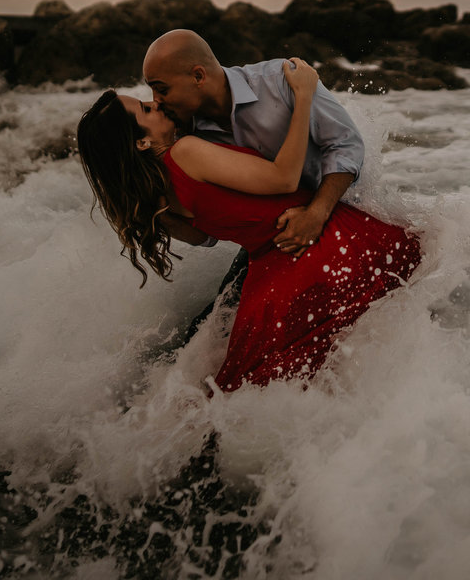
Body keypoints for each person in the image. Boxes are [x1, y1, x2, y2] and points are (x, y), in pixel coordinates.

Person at [77, 59, 421, 391]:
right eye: (146, 110)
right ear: (141, 141)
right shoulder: (185, 152)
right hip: (321, 245)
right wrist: (303, 96)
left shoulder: (156, 200)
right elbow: (284, 179)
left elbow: (206, 235)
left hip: (270, 276)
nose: (156, 105)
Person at [141, 29, 366, 343]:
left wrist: (316, 213)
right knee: (205, 333)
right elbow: (207, 236)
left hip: (339, 219)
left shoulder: (281, 80)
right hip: (274, 243)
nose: (156, 102)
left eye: (161, 89)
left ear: (197, 76)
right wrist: (153, 211)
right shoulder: (184, 137)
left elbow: (346, 145)